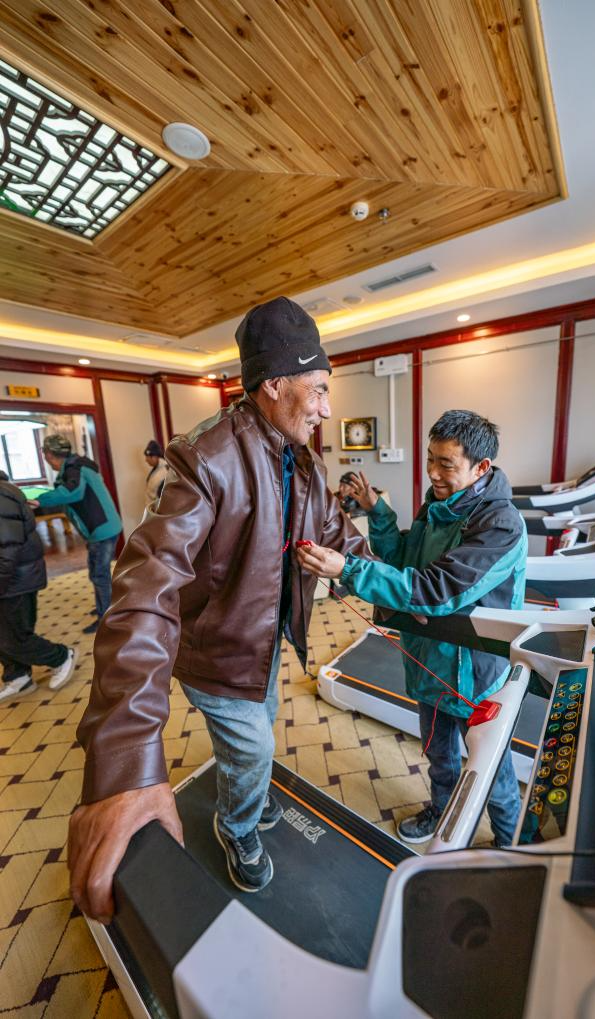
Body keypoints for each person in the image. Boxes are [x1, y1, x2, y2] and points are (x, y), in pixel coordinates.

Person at [68, 296, 371, 922]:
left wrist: (403, 585)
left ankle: (246, 794)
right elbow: (143, 590)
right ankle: (237, 827)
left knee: (256, 735)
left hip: (265, 642)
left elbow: (340, 535)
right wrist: (125, 762)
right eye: (317, 390)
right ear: (274, 385)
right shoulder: (202, 458)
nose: (327, 408)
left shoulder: (303, 459)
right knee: (254, 748)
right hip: (215, 650)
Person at [297, 409, 528, 847]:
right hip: (428, 661)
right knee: (439, 756)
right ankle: (441, 811)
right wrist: (377, 511)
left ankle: (510, 843)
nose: (434, 473)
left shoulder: (500, 524)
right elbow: (405, 557)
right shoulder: (438, 502)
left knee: (492, 772)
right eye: (430, 459)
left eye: (446, 464)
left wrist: (348, 569)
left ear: (481, 467)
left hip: (477, 675)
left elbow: (435, 589)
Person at [0, 470, 78, 703]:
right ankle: (18, 676)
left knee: (16, 637)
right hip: (11, 579)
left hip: (15, 581)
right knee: (5, 633)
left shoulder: (2, 496)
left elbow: (7, 549)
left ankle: (61, 656)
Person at [31, 435, 122, 634]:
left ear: (48, 455)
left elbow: (73, 492)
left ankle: (106, 618)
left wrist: (40, 501)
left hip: (102, 530)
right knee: (97, 571)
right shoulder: (76, 465)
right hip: (103, 528)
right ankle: (105, 604)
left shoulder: (75, 469)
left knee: (99, 574)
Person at [143, 439, 169, 507]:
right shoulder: (156, 469)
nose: (146, 460)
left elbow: (163, 498)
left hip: (157, 510)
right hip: (151, 509)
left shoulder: (165, 471)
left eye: (147, 457)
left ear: (154, 457)